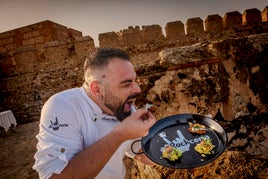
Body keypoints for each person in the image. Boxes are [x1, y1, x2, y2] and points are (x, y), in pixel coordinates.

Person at [33, 47, 156, 179]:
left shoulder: (123, 106)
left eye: (135, 80)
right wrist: (121, 134)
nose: (137, 89)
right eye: (127, 84)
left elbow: (138, 151)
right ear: (97, 90)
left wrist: (174, 148)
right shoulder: (63, 105)